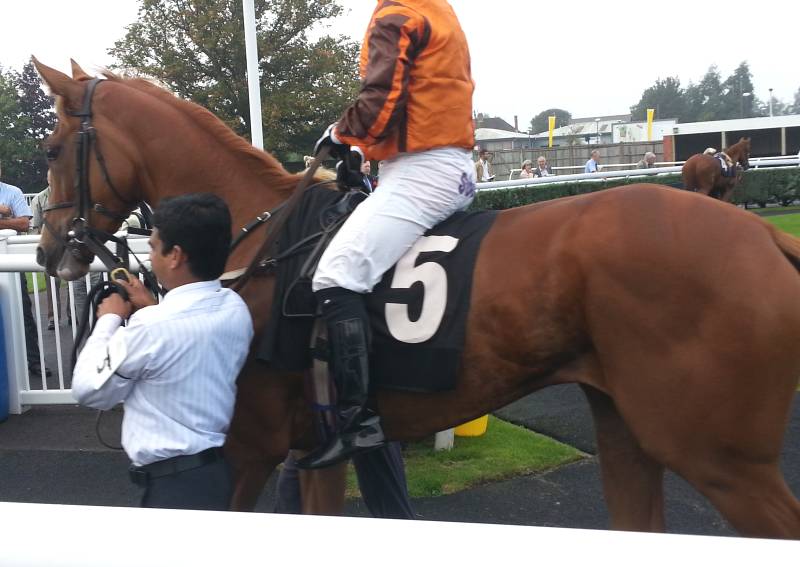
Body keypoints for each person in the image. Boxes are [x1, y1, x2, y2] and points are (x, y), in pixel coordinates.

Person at [297, 0, 477, 470]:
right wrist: (361, 150)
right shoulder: (436, 9)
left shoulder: (395, 15)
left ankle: (359, 420)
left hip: (422, 171)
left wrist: (340, 134)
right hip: (439, 165)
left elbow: (380, 100)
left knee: (336, 274)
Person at [71, 193, 254, 510]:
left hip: (173, 487)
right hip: (213, 474)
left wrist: (108, 319)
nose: (151, 256)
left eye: (154, 247)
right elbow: (179, 339)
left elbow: (88, 389)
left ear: (175, 256)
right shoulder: (235, 306)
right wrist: (151, 307)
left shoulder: (151, 327)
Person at [0, 161, 50, 377]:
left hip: (11, 264)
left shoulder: (13, 192)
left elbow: (23, 224)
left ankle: (34, 361)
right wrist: (3, 214)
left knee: (23, 311)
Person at [31, 173, 69, 330]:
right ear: (47, 179)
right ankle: (53, 317)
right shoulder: (39, 199)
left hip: (69, 246)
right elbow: (36, 227)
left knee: (73, 281)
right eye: (51, 176)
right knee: (51, 284)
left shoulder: (70, 195)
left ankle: (72, 314)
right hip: (51, 248)